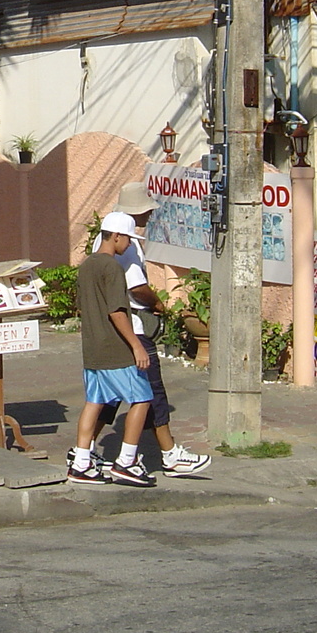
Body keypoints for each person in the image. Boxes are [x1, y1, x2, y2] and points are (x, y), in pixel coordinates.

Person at [89, 186, 212, 477]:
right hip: (132, 326)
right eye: (146, 210)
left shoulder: (104, 238)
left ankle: (85, 450)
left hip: (110, 330)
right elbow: (135, 289)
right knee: (150, 390)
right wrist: (157, 304)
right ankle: (165, 455)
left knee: (109, 395)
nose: (150, 213)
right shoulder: (126, 245)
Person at [66, 212, 157, 487]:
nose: (129, 244)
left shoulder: (87, 265)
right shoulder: (112, 268)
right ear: (116, 236)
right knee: (142, 398)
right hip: (114, 350)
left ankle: (81, 462)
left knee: (94, 402)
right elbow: (117, 312)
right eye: (128, 238)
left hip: (92, 348)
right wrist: (137, 345)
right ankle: (127, 461)